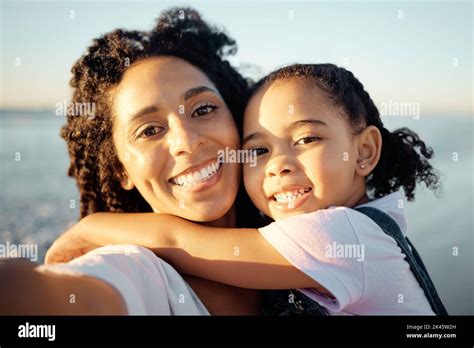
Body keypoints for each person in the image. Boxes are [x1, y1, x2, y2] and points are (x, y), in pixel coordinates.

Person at [48, 64, 448, 315]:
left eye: (307, 139)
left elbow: (179, 240)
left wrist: (89, 228)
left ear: (365, 150)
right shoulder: (366, 230)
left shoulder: (343, 235)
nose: (278, 164)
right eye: (257, 149)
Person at [0, 7, 262, 315]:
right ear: (120, 170)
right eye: (149, 130)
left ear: (235, 116)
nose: (186, 142)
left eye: (203, 110)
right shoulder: (135, 270)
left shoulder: (298, 219)